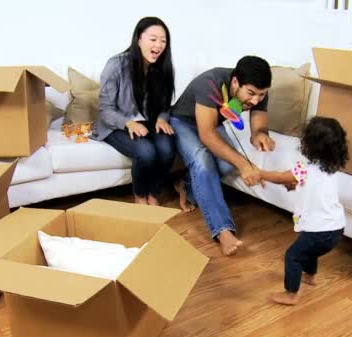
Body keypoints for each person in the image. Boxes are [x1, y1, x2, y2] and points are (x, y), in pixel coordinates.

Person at [170, 56, 274, 256]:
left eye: (261, 95)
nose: (255, 100)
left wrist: (260, 134)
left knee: (227, 166)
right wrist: (245, 165)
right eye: (251, 94)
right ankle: (223, 230)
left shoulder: (259, 91)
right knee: (203, 161)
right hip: (183, 122)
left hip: (212, 125)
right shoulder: (210, 83)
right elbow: (207, 135)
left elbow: (259, 123)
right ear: (235, 82)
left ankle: (185, 184)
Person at [259, 116, 349, 305]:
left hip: (319, 230)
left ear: (309, 145)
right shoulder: (333, 168)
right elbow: (315, 187)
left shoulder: (304, 170)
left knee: (293, 256)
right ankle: (310, 276)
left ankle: (291, 294)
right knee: (310, 250)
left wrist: (258, 172)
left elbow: (280, 177)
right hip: (336, 228)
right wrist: (296, 186)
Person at [92, 17, 176, 206]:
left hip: (148, 123)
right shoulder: (116, 65)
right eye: (153, 39)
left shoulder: (163, 68)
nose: (158, 45)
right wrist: (128, 123)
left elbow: (164, 105)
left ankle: (154, 193)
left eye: (163, 41)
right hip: (116, 125)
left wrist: (163, 118)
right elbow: (105, 110)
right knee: (146, 151)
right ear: (138, 40)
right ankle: (140, 194)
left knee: (167, 148)